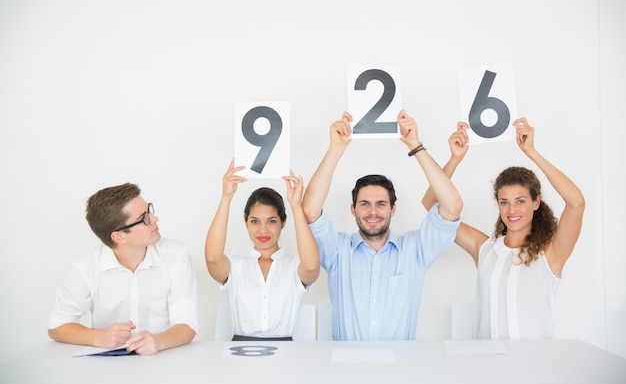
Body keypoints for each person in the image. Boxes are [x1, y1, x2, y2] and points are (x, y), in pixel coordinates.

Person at [301, 110, 463, 341]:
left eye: (381, 204)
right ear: (353, 209)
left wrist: (415, 145)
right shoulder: (337, 251)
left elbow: (452, 206)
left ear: (393, 209)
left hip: (399, 374)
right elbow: (310, 209)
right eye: (365, 204)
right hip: (347, 373)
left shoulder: (415, 250)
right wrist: (336, 148)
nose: (373, 212)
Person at [422, 118, 585, 339]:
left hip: (535, 367)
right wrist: (454, 159)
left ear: (536, 202)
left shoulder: (551, 253)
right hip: (487, 368)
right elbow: (431, 204)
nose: (512, 210)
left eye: (520, 201)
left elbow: (576, 202)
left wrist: (532, 152)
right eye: (504, 202)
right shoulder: (485, 249)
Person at [48, 183, 199, 355]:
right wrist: (99, 337)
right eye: (144, 218)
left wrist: (158, 341)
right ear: (119, 236)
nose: (154, 219)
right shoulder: (84, 269)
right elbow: (57, 326)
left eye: (149, 210)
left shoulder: (176, 255)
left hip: (163, 358)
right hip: (107, 367)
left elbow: (188, 323)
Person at [204, 160, 320, 340]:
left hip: (285, 356)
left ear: (283, 221)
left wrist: (296, 207)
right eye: (255, 221)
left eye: (272, 221)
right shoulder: (236, 266)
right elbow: (212, 258)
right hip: (240, 355)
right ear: (245, 221)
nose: (263, 230)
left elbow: (312, 267)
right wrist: (226, 198)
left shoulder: (294, 266)